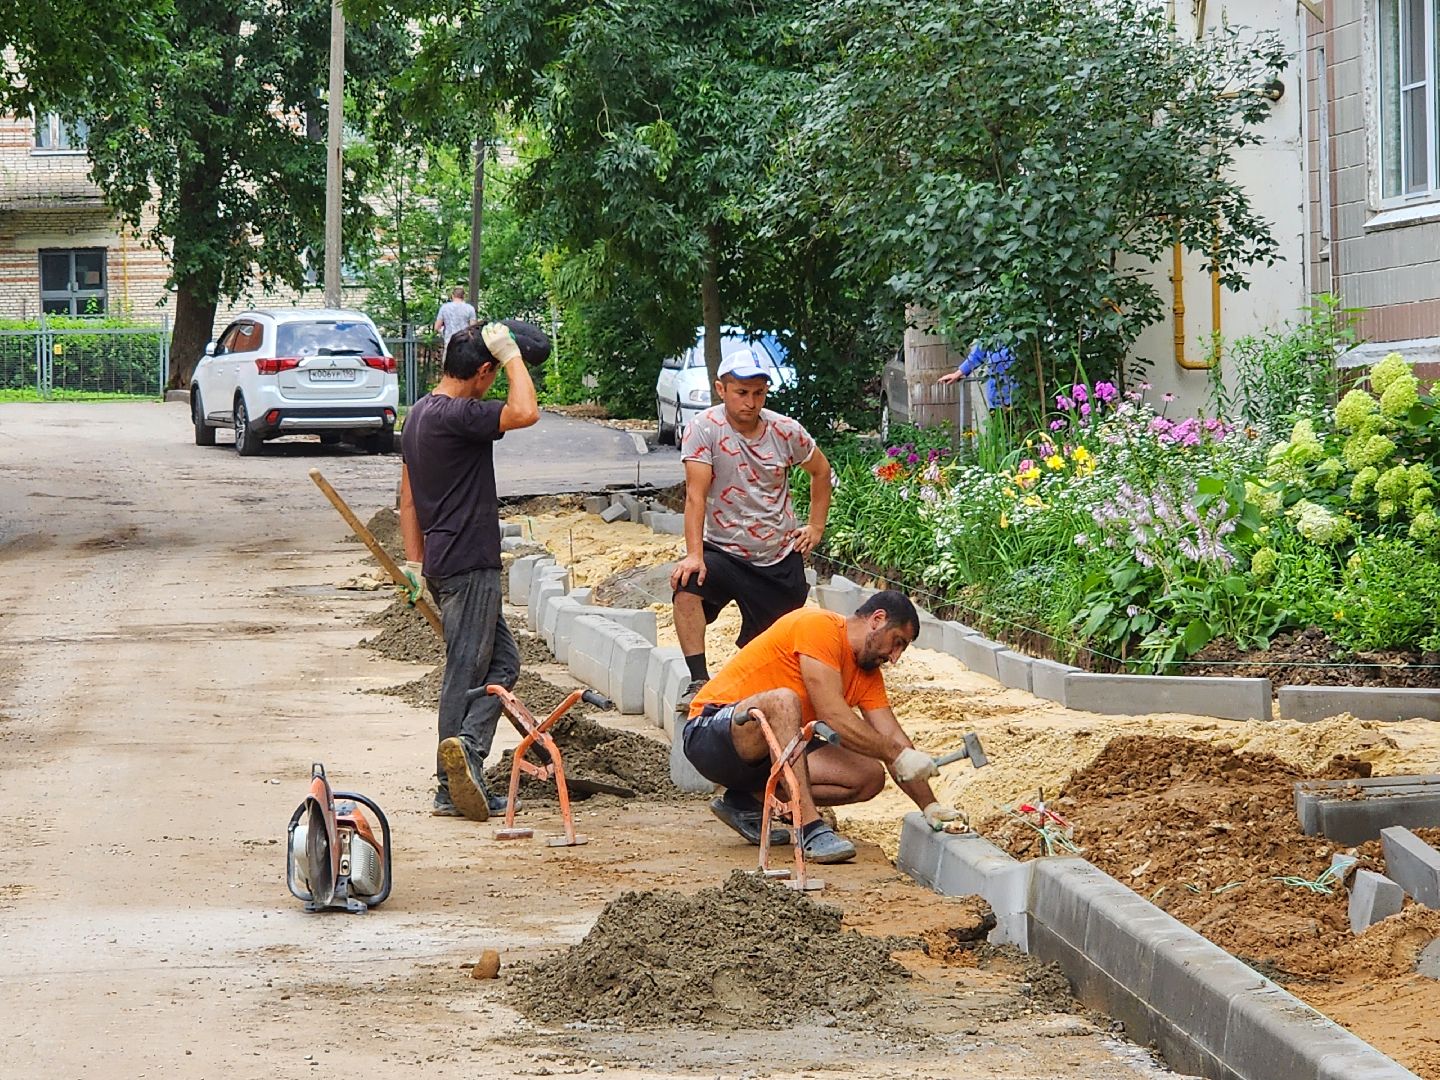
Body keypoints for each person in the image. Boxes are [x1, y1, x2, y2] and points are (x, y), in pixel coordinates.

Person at [681, 591, 963, 863]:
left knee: (869, 776)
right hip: (712, 731)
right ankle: (808, 827)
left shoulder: (868, 675)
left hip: (771, 751)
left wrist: (930, 806)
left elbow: (892, 737)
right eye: (897, 642)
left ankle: (746, 802)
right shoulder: (819, 627)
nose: (895, 657)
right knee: (784, 701)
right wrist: (897, 754)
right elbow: (834, 717)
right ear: (877, 619)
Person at [398, 322, 540, 820]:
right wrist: (512, 354)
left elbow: (407, 500)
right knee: (465, 672)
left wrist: (414, 562)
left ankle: (466, 759)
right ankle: (449, 784)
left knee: (503, 666)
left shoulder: (418, 415)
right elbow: (526, 411)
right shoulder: (460, 415)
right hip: (469, 565)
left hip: (444, 563)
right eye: (493, 372)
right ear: (482, 371)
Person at [670, 348, 832, 714]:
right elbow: (695, 496)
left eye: (758, 393)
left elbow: (821, 471)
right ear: (721, 390)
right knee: (686, 584)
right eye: (741, 392)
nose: (750, 402)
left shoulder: (785, 430)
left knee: (771, 648)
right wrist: (694, 554)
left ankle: (752, 699)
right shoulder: (704, 429)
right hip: (723, 551)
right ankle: (698, 680)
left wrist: (816, 526)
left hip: (777, 555)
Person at [433, 286, 477, 352]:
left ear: (452, 295)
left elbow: (436, 328)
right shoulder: (470, 308)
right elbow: (473, 328)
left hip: (449, 342)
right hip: (465, 343)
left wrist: (443, 332)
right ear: (464, 296)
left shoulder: (444, 308)